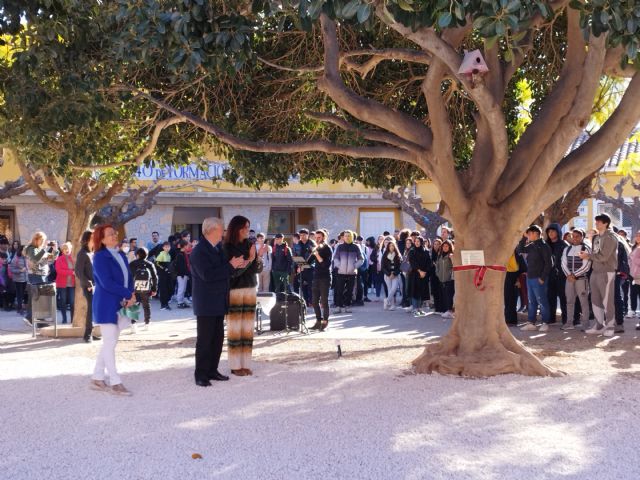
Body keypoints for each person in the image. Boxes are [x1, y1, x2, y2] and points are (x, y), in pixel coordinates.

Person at [191, 217, 247, 386]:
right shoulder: (199, 251)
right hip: (206, 302)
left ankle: (212, 370)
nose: (223, 232)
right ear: (212, 230)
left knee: (217, 339)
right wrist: (230, 266)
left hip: (219, 300)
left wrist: (236, 266)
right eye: (222, 229)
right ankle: (201, 374)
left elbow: (224, 271)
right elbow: (208, 275)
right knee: (205, 340)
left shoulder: (218, 248)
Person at [90, 224, 135, 396]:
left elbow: (128, 278)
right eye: (110, 234)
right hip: (106, 304)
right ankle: (115, 382)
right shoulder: (100, 257)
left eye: (114, 233)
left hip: (120, 302)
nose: (115, 235)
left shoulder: (120, 254)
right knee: (110, 343)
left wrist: (131, 295)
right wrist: (128, 294)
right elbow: (106, 283)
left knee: (110, 342)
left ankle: (97, 377)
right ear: (101, 239)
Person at [223, 216, 263, 376]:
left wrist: (258, 258)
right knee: (235, 329)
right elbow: (233, 273)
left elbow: (257, 270)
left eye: (248, 226)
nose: (248, 230)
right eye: (245, 227)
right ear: (237, 228)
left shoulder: (249, 245)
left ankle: (246, 364)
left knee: (247, 328)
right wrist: (250, 259)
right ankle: (235, 366)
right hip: (234, 290)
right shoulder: (227, 247)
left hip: (251, 288)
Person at [579, 214, 619, 336]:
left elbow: (604, 256)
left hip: (606, 271)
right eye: (596, 221)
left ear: (605, 223)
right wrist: (588, 255)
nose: (596, 223)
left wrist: (588, 256)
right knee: (595, 300)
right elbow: (596, 253)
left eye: (598, 222)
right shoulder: (596, 237)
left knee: (607, 301)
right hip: (595, 271)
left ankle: (610, 327)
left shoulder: (611, 237)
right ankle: (599, 325)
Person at [519, 225, 553, 332]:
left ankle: (545, 323)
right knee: (531, 301)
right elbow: (520, 249)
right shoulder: (531, 245)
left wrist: (542, 277)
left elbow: (549, 264)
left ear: (536, 233)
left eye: (529, 234)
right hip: (530, 277)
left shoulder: (544, 246)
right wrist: (524, 238)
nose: (528, 235)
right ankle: (531, 322)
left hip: (539, 278)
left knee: (542, 301)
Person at [23, 232, 59, 326]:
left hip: (42, 276)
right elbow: (35, 258)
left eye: (44, 240)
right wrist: (44, 249)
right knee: (38, 297)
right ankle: (30, 317)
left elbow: (52, 259)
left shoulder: (40, 249)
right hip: (35, 275)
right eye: (42, 240)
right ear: (36, 240)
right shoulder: (30, 249)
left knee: (41, 298)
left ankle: (39, 321)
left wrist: (55, 250)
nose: (44, 242)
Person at [561, 228, 592, 330]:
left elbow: (586, 266)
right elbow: (563, 263)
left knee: (584, 302)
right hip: (569, 279)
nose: (575, 238)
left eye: (577, 236)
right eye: (573, 236)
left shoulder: (586, 249)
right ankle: (569, 323)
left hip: (581, 280)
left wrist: (574, 275)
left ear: (582, 237)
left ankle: (586, 324)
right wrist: (568, 275)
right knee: (569, 301)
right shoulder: (567, 249)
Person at [332, 230, 363, 314]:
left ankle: (347, 306)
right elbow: (335, 258)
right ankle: (338, 306)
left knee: (350, 291)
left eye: (349, 236)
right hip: (340, 272)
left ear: (352, 237)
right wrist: (339, 266)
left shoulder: (356, 247)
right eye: (345, 236)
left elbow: (361, 259)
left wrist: (354, 266)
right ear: (343, 237)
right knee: (339, 290)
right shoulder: (340, 247)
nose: (347, 237)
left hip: (352, 273)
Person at [75, 231, 97, 342]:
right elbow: (78, 272)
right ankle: (87, 335)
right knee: (91, 310)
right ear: (87, 239)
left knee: (94, 310)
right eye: (93, 237)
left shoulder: (92, 253)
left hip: (96, 286)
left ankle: (91, 332)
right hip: (89, 286)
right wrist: (88, 284)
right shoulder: (82, 253)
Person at [129, 247, 158, 331]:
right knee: (146, 306)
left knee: (134, 306)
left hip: (134, 289)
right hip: (147, 289)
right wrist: (154, 289)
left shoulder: (132, 264)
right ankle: (147, 324)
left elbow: (128, 278)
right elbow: (155, 277)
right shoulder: (149, 264)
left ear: (137, 255)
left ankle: (133, 325)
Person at [309, 229, 333, 330]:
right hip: (316, 277)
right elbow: (309, 261)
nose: (317, 239)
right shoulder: (317, 248)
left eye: (319, 237)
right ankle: (318, 321)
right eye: (315, 237)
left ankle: (325, 321)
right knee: (314, 301)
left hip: (325, 277)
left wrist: (317, 254)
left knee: (324, 301)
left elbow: (325, 265)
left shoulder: (327, 248)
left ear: (324, 237)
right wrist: (300, 265)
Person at [545, 224, 569, 324]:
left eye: (553, 231)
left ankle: (565, 319)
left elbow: (567, 261)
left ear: (558, 232)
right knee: (550, 297)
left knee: (563, 298)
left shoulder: (564, 245)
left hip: (562, 276)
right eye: (549, 231)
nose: (550, 233)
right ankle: (551, 318)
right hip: (549, 275)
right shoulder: (545, 245)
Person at [408, 237, 431, 316]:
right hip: (415, 274)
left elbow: (429, 263)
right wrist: (419, 271)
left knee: (422, 292)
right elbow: (412, 263)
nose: (417, 243)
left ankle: (420, 309)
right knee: (415, 292)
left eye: (418, 241)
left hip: (423, 275)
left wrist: (424, 272)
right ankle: (415, 309)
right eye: (415, 241)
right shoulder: (412, 251)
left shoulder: (426, 251)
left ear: (421, 242)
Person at [54, 242, 75, 324]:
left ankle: (73, 319)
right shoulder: (59, 259)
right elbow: (59, 271)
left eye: (68, 249)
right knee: (63, 301)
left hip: (72, 284)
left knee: (72, 302)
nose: (67, 250)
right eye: (65, 249)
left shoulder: (73, 258)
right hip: (62, 284)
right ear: (62, 250)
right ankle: (64, 319)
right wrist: (71, 272)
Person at [293, 228, 315, 305]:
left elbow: (313, 257)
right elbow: (295, 256)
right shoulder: (297, 244)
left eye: (304, 235)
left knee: (311, 286)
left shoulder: (312, 244)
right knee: (303, 286)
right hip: (300, 268)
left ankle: (312, 302)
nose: (302, 236)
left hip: (311, 268)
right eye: (301, 235)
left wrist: (303, 266)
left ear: (307, 235)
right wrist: (298, 267)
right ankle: (306, 302)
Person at [436, 240, 455, 319]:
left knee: (449, 295)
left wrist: (452, 258)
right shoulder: (440, 255)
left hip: (449, 279)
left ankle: (450, 311)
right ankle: (447, 310)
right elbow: (437, 266)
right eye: (444, 246)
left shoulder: (451, 255)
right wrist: (438, 274)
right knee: (444, 295)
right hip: (441, 279)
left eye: (447, 246)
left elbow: (454, 266)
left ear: (450, 247)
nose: (445, 248)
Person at [381, 240, 401, 310]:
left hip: (395, 275)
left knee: (394, 289)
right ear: (388, 247)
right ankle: (392, 305)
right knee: (390, 289)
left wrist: (394, 273)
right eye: (390, 246)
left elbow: (400, 267)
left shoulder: (398, 255)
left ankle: (386, 300)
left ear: (395, 247)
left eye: (393, 246)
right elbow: (383, 267)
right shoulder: (385, 255)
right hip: (387, 275)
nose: (391, 247)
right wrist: (389, 274)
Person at [9, 243, 27, 315]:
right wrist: (20, 271)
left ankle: (20, 308)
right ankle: (20, 309)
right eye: (25, 250)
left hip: (25, 279)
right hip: (18, 279)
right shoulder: (16, 258)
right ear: (21, 250)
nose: (26, 252)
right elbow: (11, 269)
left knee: (22, 294)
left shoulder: (26, 257)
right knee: (19, 294)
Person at [155, 241, 173, 310]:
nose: (167, 248)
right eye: (166, 247)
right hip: (162, 274)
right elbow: (157, 263)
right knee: (163, 289)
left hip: (168, 274)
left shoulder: (169, 255)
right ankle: (163, 305)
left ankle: (166, 303)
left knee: (169, 288)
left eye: (168, 247)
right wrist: (164, 268)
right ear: (163, 247)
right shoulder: (161, 254)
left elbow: (169, 265)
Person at [174, 239, 191, 309]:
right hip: (181, 275)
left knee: (184, 289)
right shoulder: (180, 255)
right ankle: (179, 302)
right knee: (181, 288)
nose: (188, 247)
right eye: (187, 245)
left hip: (184, 274)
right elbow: (180, 267)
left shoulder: (184, 254)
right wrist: (183, 274)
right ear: (184, 246)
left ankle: (182, 301)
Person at [630, 231, 640, 330]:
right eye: (636, 235)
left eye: (639, 235)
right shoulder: (635, 247)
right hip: (635, 276)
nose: (637, 237)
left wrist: (633, 259)